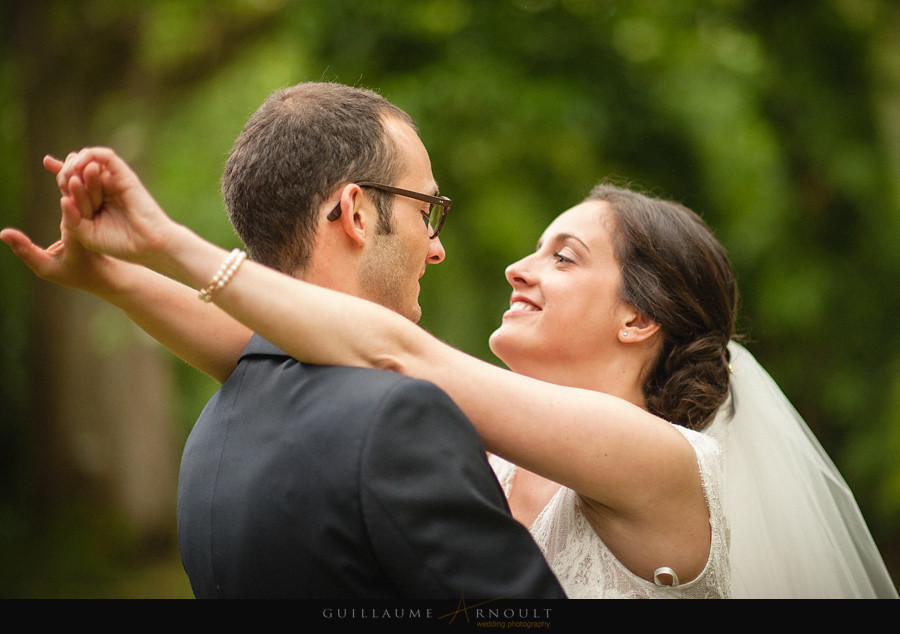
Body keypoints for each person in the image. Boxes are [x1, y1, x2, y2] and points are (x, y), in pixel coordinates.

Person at [9, 102, 897, 600]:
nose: (517, 266)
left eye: (563, 256)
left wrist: (166, 241)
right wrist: (111, 279)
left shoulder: (661, 461)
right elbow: (266, 350)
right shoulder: (499, 454)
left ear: (638, 320)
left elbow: (398, 358)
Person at [2, 83, 567, 600]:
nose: (436, 247)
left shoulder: (211, 434)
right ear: (356, 213)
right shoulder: (399, 419)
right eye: (426, 211)